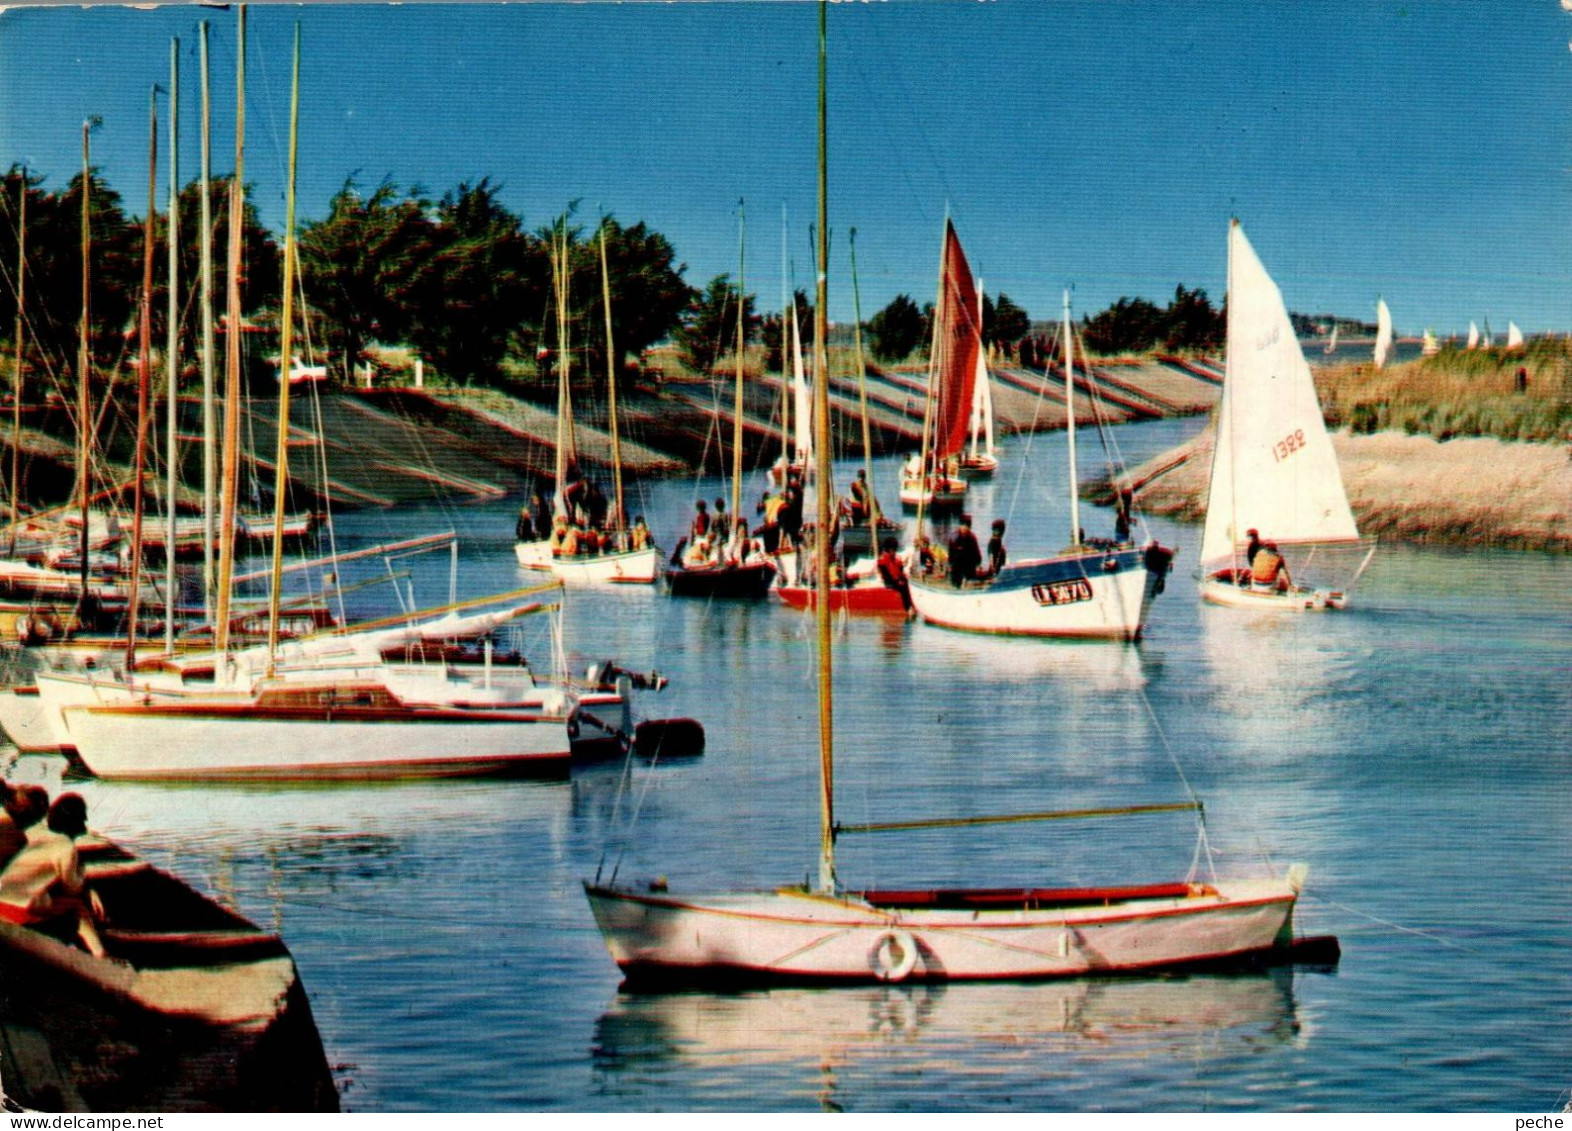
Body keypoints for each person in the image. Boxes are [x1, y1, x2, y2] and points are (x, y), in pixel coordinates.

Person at [0, 790, 105, 958]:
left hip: (3, 903)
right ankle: (99, 953)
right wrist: (83, 874)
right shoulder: (66, 848)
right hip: (19, 911)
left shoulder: (40, 840)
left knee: (55, 899)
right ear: (76, 821)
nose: (85, 821)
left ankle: (86, 947)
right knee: (76, 906)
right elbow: (72, 889)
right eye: (83, 816)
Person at [876, 537, 912, 611]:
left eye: (895, 550)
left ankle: (910, 606)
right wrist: (898, 581)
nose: (895, 552)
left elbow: (900, 572)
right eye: (894, 550)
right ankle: (907, 608)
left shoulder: (895, 559)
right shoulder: (883, 560)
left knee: (907, 582)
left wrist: (902, 577)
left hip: (895, 581)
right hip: (889, 582)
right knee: (903, 587)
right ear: (889, 550)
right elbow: (888, 576)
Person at [947, 514, 982, 588]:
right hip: (957, 564)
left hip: (969, 564)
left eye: (967, 526)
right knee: (956, 576)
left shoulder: (972, 538)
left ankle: (969, 582)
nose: (964, 528)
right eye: (962, 525)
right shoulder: (954, 537)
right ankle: (956, 585)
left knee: (971, 574)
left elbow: (977, 552)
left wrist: (978, 564)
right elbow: (951, 555)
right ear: (960, 526)